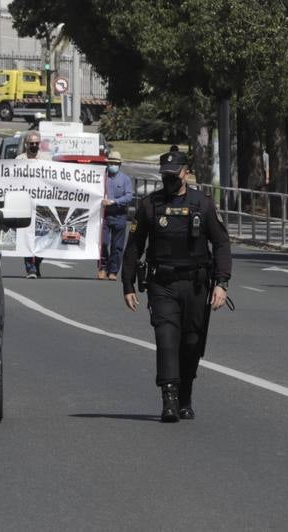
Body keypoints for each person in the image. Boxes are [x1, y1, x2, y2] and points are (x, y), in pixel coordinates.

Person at [122, 150, 232, 423]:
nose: (169, 180)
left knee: (192, 341)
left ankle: (185, 395)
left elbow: (221, 244)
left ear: (186, 172)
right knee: (167, 339)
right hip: (163, 284)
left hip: (196, 285)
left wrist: (221, 282)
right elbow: (134, 247)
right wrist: (128, 284)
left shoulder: (203, 205)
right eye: (165, 176)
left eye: (174, 175)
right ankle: (169, 398)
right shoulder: (150, 205)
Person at [99, 150, 135, 281]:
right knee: (103, 243)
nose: (112, 165)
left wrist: (114, 201)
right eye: (111, 163)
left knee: (117, 246)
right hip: (105, 215)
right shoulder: (102, 177)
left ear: (119, 165)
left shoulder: (125, 179)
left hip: (119, 214)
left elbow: (129, 196)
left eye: (115, 163)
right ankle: (102, 267)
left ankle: (113, 270)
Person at [18, 130, 46, 279]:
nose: (34, 146)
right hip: (25, 205)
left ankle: (38, 264)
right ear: (26, 144)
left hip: (42, 206)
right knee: (26, 237)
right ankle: (30, 269)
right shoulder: (19, 159)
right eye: (31, 143)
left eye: (36, 143)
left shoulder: (46, 160)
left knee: (42, 237)